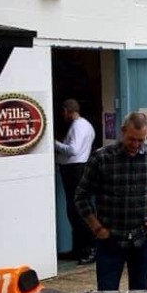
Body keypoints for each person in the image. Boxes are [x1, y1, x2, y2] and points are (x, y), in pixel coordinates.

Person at [75, 111, 147, 293]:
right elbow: (81, 197)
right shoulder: (102, 158)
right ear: (123, 132)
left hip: (143, 237)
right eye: (132, 139)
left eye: (141, 140)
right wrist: (97, 228)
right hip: (110, 238)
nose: (136, 144)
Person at [54, 98, 96, 265]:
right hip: (76, 169)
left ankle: (89, 248)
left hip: (75, 170)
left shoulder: (79, 126)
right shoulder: (85, 126)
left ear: (66, 111)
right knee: (75, 210)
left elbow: (74, 150)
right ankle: (80, 247)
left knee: (78, 211)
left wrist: (54, 144)